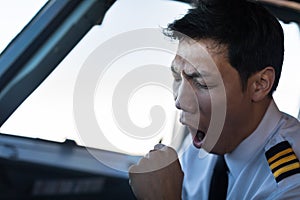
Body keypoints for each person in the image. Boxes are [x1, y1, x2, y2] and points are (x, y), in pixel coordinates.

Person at [129, 0, 300, 199]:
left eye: (201, 83)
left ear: (260, 84)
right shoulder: (198, 148)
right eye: (177, 77)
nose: (180, 101)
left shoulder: (290, 183)